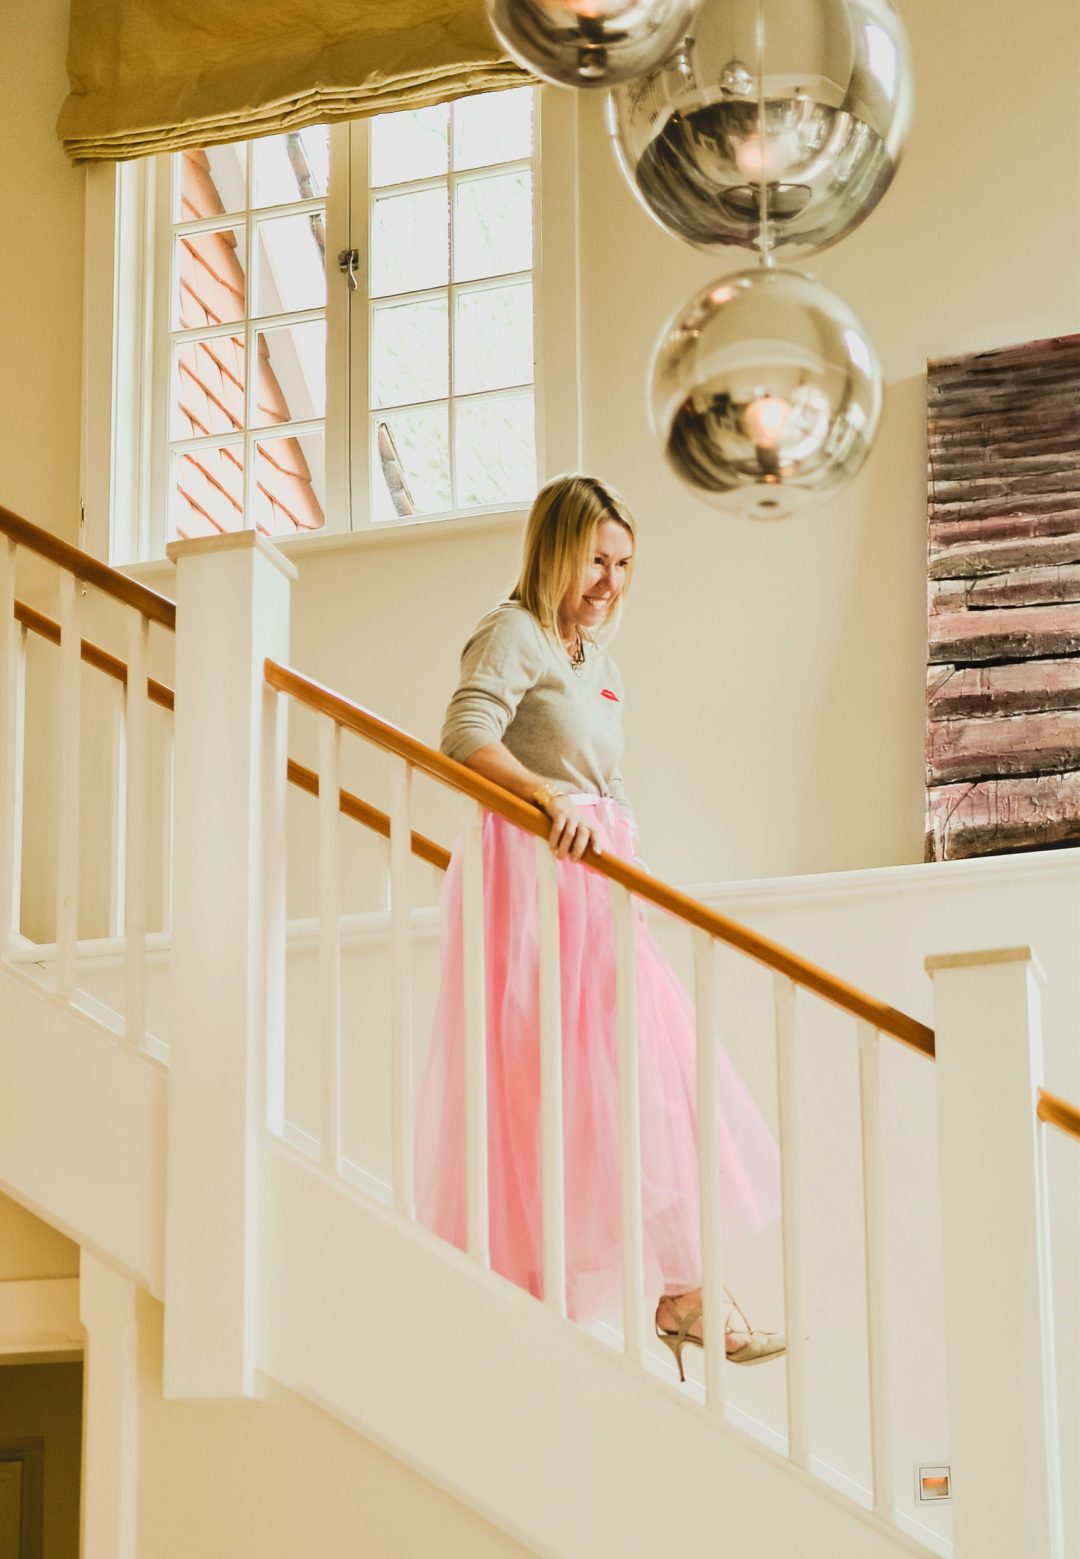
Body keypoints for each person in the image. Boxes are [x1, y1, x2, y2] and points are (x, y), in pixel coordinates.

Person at [414, 473, 783, 1376]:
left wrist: (635, 861)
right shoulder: (514, 633)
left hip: (597, 883)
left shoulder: (600, 664)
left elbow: (609, 783)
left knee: (647, 1075)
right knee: (556, 1074)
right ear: (554, 551)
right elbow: (463, 735)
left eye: (624, 564)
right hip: (536, 878)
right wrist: (546, 798)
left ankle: (683, 1284)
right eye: (595, 560)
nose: (611, 580)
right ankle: (573, 1288)